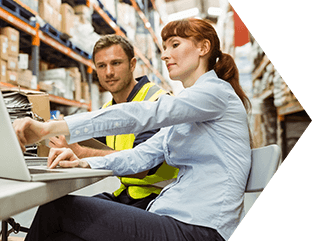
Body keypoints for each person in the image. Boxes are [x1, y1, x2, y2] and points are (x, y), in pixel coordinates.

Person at [13, 18, 252, 241]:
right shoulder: (189, 109)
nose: (165, 55)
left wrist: (49, 128)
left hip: (200, 228)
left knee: (56, 209)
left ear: (203, 48)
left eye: (174, 45)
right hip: (172, 215)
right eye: (164, 49)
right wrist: (82, 162)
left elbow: (142, 113)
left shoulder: (215, 93)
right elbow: (140, 156)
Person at [48, 35, 178, 210]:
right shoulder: (109, 109)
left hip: (158, 199)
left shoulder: (156, 102)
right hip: (128, 194)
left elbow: (141, 168)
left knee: (58, 213)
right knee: (54, 209)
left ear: (133, 65)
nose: (108, 72)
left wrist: (80, 152)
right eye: (102, 66)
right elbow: (93, 144)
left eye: (116, 63)